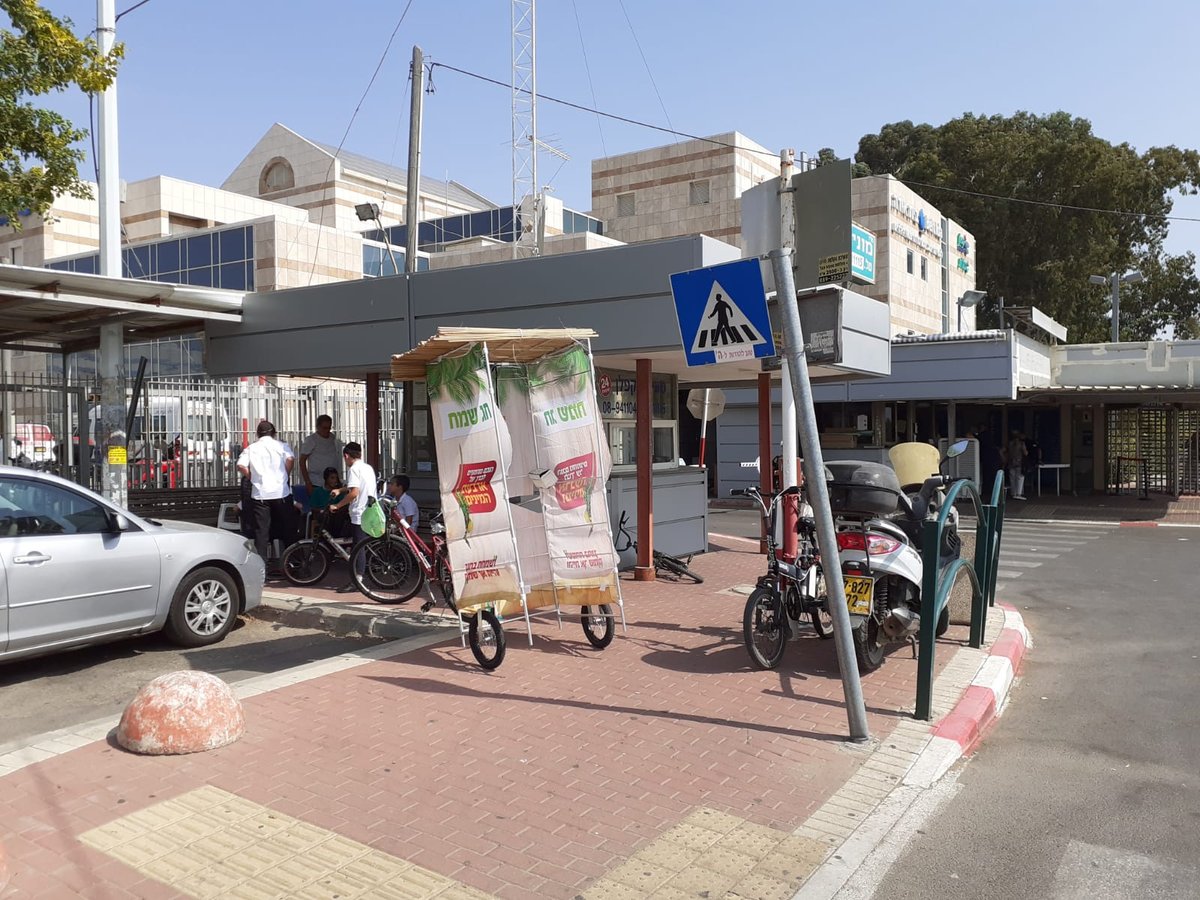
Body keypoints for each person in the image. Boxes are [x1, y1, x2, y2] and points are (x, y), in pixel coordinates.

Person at [236, 420, 297, 569]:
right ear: (274, 432)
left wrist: (252, 476)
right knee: (289, 529)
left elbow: (240, 465)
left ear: (257, 434)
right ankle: (295, 565)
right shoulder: (281, 446)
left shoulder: (252, 448)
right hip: (281, 493)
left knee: (261, 533)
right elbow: (290, 459)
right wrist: (285, 475)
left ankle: (262, 570)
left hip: (260, 495)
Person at [329, 441, 377, 592]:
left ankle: (358, 580)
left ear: (346, 456)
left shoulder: (354, 469)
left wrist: (337, 505)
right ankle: (359, 576)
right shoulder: (367, 467)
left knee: (358, 548)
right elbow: (356, 487)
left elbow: (354, 492)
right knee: (360, 545)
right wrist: (340, 490)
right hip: (370, 511)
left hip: (359, 513)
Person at [298, 415, 341, 494]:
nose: (327, 430)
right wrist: (308, 482)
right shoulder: (311, 440)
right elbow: (302, 461)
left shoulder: (332, 438)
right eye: (324, 428)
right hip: (316, 482)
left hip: (332, 483)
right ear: (318, 427)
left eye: (329, 428)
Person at [310, 466, 349, 537]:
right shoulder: (317, 491)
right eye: (332, 478)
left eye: (336, 478)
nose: (335, 480)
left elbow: (343, 505)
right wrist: (323, 510)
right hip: (322, 515)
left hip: (336, 515)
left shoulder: (338, 491)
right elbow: (313, 508)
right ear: (326, 478)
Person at [1007, 430, 1028, 500]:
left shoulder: (1010, 443)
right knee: (1019, 478)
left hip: (1011, 462)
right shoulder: (1021, 443)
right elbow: (1025, 453)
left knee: (1012, 478)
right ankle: (1019, 493)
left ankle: (1013, 493)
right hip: (1019, 462)